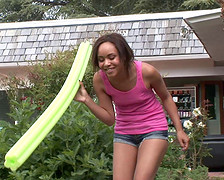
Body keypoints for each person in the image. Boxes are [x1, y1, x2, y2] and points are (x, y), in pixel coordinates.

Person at [74, 33, 189, 180]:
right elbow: (109, 119)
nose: (106, 64)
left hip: (153, 129)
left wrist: (179, 130)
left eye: (111, 57)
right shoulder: (100, 79)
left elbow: (166, 97)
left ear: (123, 55)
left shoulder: (146, 72)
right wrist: (87, 100)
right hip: (124, 132)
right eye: (101, 60)